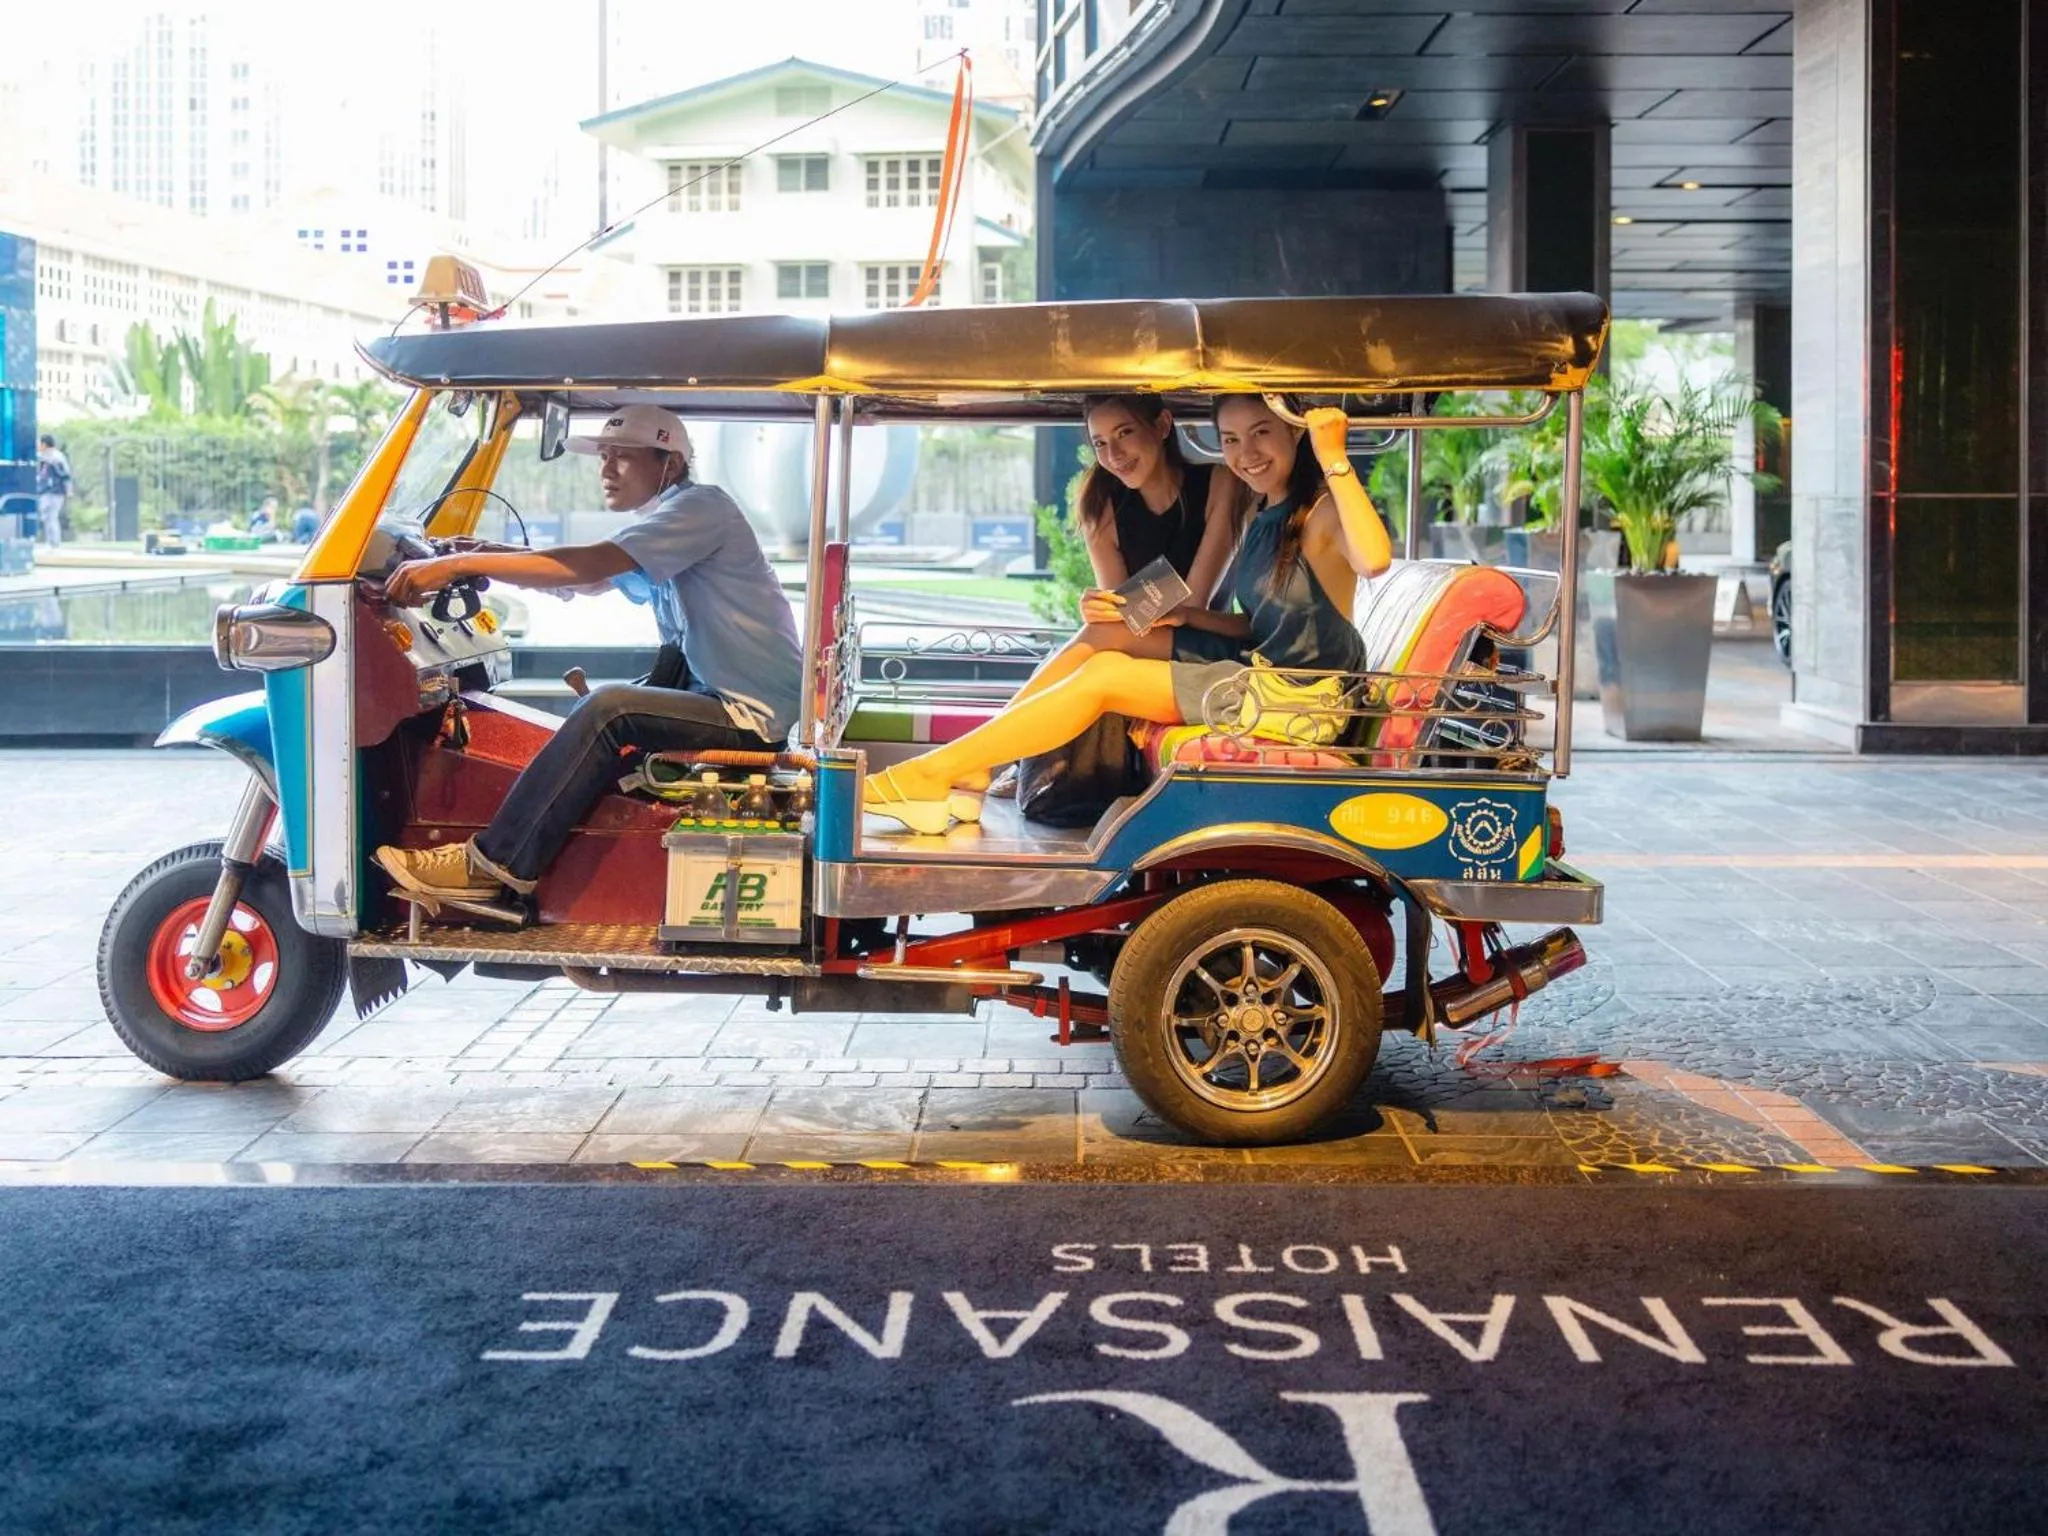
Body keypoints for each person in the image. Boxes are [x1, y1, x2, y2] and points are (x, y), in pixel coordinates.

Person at [862, 399, 1392, 834]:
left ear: (1295, 432)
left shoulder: (1320, 511)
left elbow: (1374, 560)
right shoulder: (1263, 512)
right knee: (1106, 638)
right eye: (1230, 439)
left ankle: (934, 771)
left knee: (1104, 678)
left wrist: (1334, 456)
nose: (1246, 454)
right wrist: (1185, 619)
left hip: (1298, 699)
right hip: (1258, 668)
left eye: (1261, 433)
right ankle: (970, 765)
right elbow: (1255, 626)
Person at [372, 403, 804, 911]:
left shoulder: (700, 508)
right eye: (603, 456)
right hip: (719, 696)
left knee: (609, 710)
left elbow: (589, 565)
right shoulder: (667, 521)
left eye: (623, 456)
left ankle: (493, 865)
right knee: (598, 713)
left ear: (668, 463)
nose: (606, 469)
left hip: (749, 716)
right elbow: (592, 580)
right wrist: (484, 552)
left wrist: (458, 564)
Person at [34, 435, 71, 548]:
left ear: (44, 444)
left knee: (52, 516)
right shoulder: (43, 457)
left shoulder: (56, 457)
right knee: (46, 517)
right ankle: (51, 542)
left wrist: (69, 489)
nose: (38, 446)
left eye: (39, 444)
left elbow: (66, 474)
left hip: (55, 491)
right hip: (45, 490)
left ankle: (54, 543)